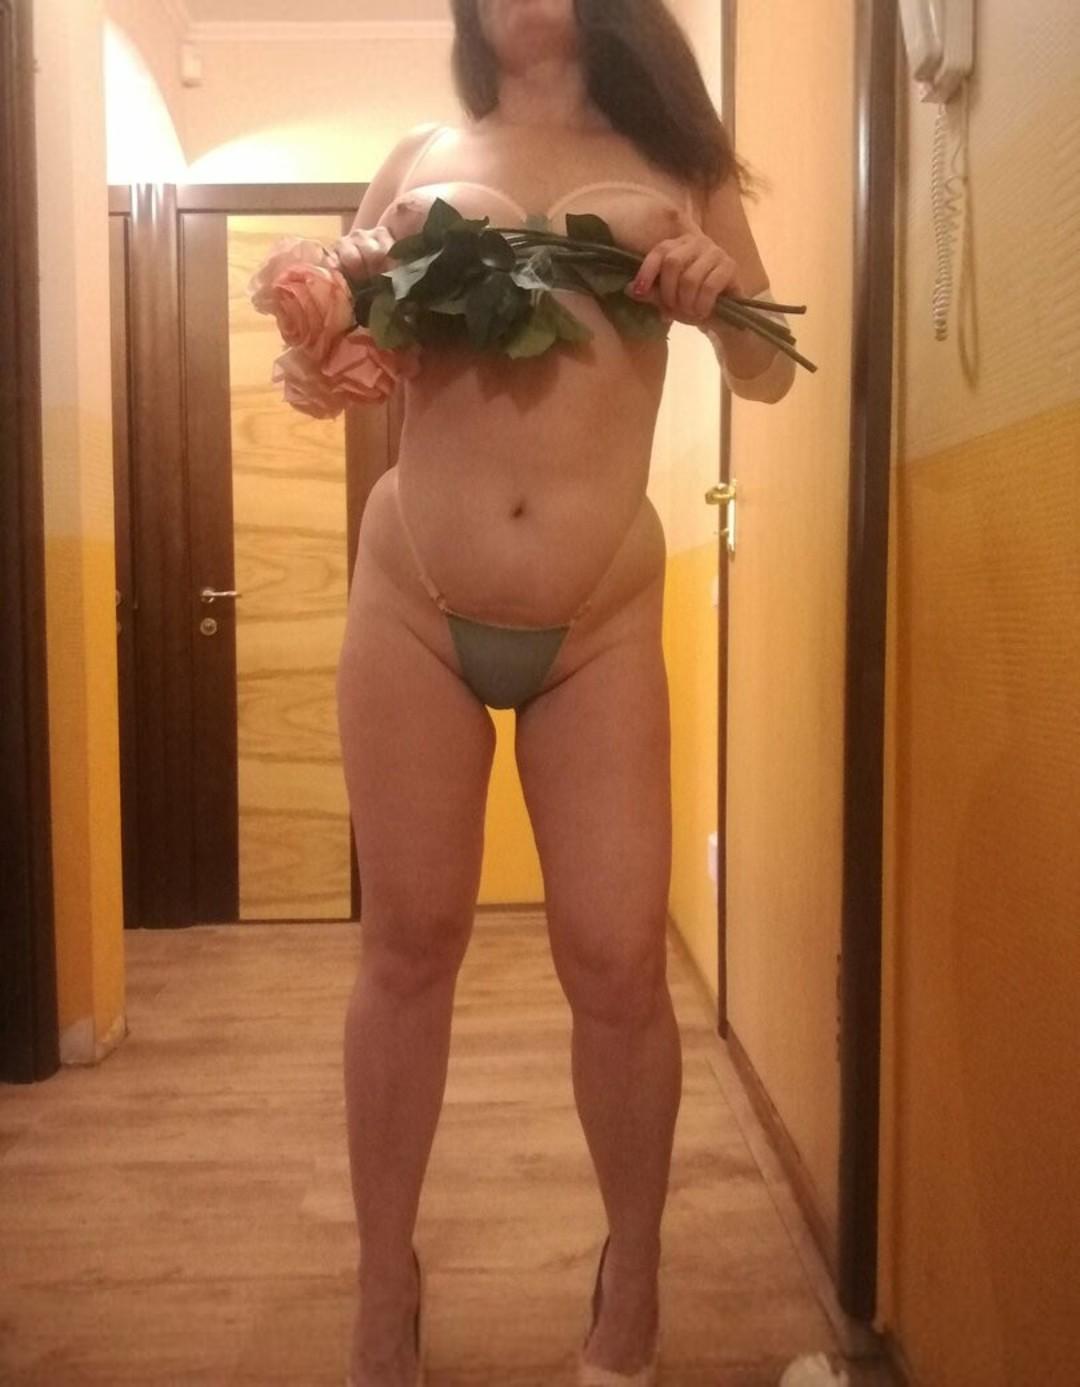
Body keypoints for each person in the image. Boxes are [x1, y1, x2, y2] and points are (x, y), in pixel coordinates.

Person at [332, 2, 795, 1384]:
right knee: (407, 947)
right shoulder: (420, 150)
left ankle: (632, 1272)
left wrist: (719, 295)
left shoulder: (680, 161)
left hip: (601, 619)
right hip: (412, 601)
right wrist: (335, 303)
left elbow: (769, 370)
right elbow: (343, 364)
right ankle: (383, 1281)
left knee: (616, 960)